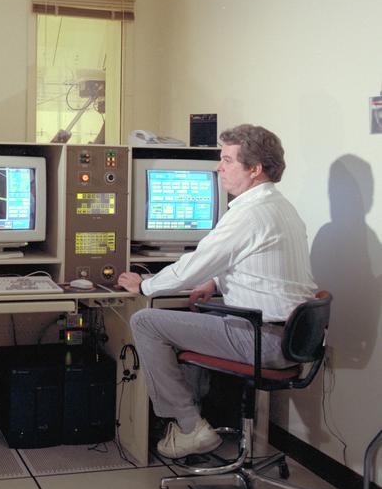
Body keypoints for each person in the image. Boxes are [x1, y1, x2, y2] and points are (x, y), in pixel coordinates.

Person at [118, 125, 317, 459]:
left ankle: (189, 426)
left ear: (254, 170)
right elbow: (261, 270)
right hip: (292, 340)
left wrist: (145, 284)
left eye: (227, 160)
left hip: (261, 340)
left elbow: (194, 264)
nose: (218, 168)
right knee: (191, 316)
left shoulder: (249, 213)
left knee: (146, 321)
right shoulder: (281, 207)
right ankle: (195, 418)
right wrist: (217, 282)